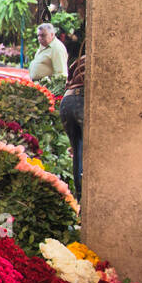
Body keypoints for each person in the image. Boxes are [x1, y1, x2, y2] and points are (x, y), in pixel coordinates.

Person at [59, 52, 84, 196]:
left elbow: (68, 80)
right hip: (83, 101)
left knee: (78, 151)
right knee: (90, 153)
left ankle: (80, 197)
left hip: (67, 102)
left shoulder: (81, 58)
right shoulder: (104, 61)